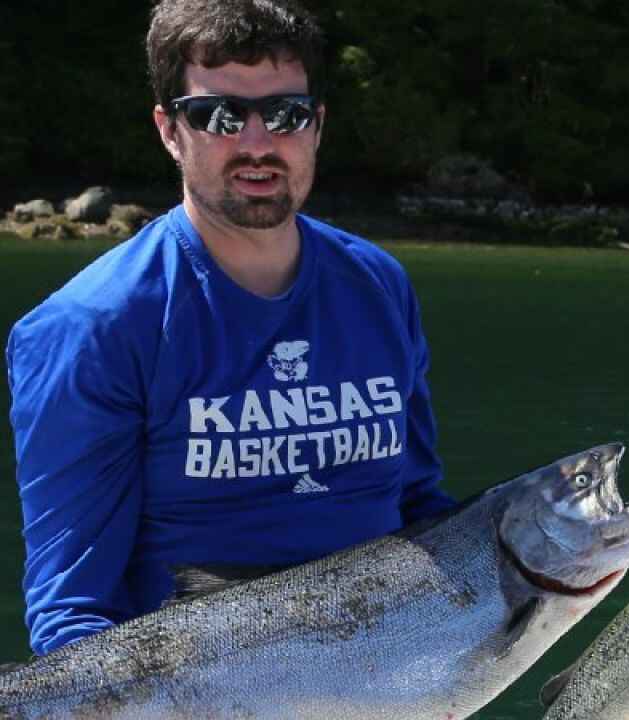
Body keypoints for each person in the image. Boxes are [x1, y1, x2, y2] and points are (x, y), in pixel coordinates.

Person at [4, 0, 455, 656]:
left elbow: (421, 506)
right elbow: (75, 609)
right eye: (218, 115)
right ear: (169, 130)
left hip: (392, 679)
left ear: (318, 125)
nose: (257, 143)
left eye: (286, 115)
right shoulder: (93, 327)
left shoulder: (378, 285)